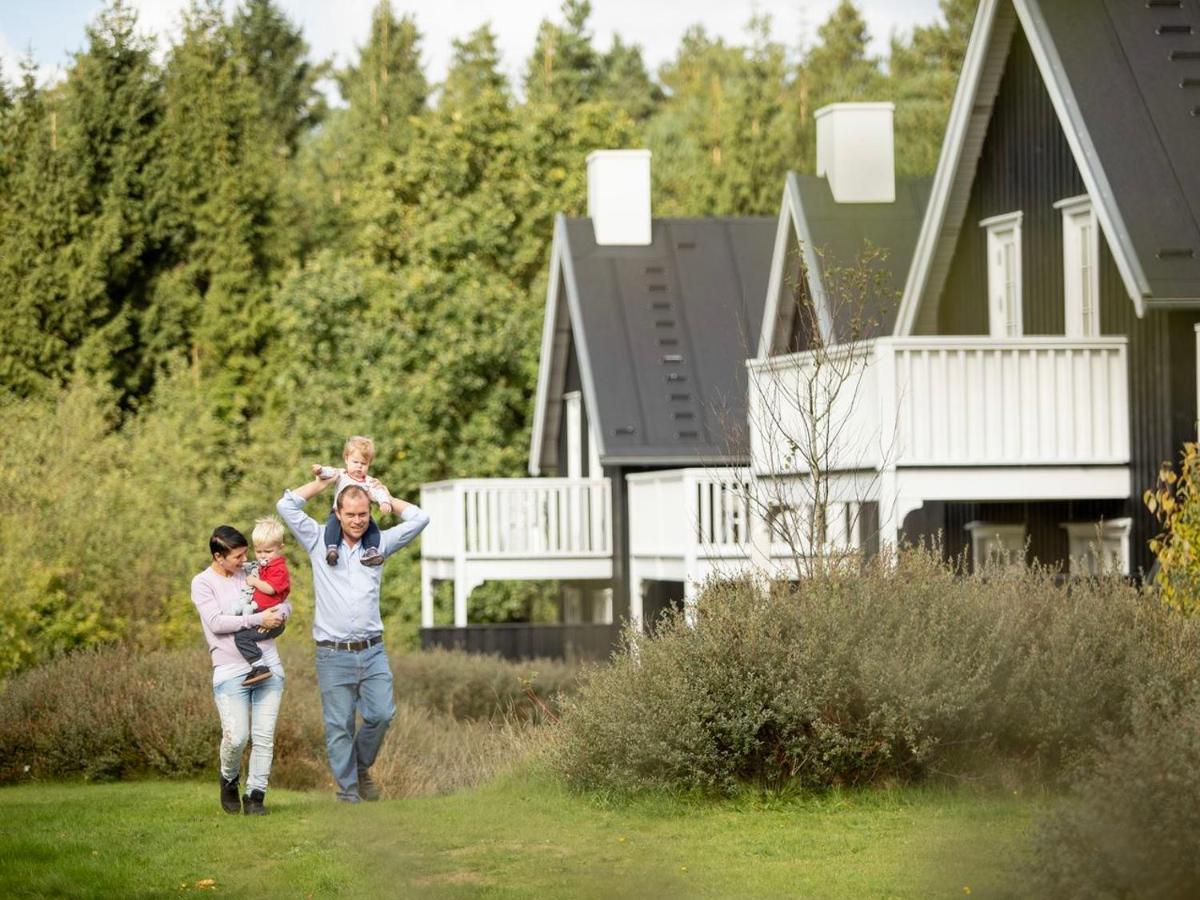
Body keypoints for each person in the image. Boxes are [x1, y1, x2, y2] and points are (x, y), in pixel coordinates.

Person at [277, 469, 429, 803]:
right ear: (337, 513)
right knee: (339, 727)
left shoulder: (380, 544)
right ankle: (349, 795)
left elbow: (420, 518)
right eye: (350, 515)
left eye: (363, 514)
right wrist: (325, 483)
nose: (358, 521)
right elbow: (285, 507)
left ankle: (359, 769)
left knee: (381, 715)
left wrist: (383, 495)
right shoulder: (318, 540)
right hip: (332, 655)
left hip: (373, 651)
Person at [191, 525, 290, 815]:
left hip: (268, 663)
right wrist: (258, 618)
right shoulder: (203, 583)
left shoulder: (252, 570)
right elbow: (217, 623)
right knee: (237, 737)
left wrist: (281, 614)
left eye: (246, 553)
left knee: (264, 737)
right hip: (230, 669)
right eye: (237, 556)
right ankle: (229, 777)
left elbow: (284, 599)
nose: (244, 560)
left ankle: (255, 797)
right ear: (218, 557)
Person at [313, 435, 394, 567]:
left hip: (361, 514)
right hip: (339, 511)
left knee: (372, 528)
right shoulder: (341, 474)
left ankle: (371, 550)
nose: (359, 467)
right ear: (346, 459)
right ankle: (332, 548)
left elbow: (378, 491)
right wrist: (320, 470)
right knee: (332, 525)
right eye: (355, 462)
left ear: (369, 464)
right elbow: (329, 472)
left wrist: (384, 502)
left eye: (363, 464)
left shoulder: (368, 481)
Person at [233, 516, 292, 687]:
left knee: (242, 637)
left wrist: (254, 581)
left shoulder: (279, 568)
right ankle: (256, 666)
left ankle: (259, 666)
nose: (262, 556)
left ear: (280, 548)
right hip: (260, 614)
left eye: (268, 552)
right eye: (259, 552)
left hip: (272, 618)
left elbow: (271, 589)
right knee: (242, 628)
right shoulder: (264, 566)